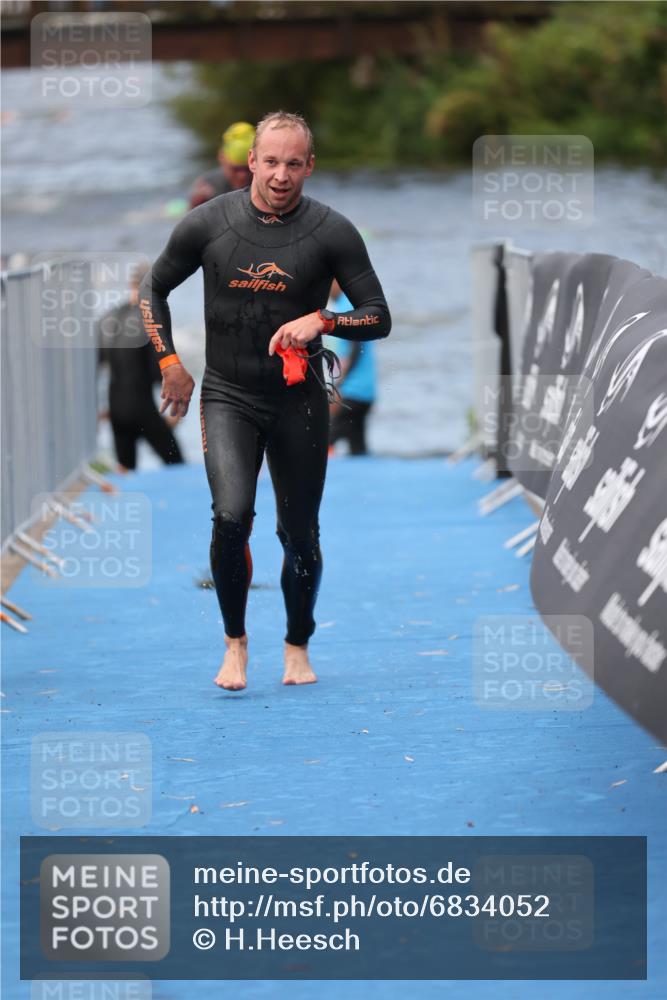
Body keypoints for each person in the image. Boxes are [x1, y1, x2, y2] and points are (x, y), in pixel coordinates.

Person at [140, 110, 391, 691]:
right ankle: (235, 644)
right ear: (250, 161)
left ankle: (297, 643)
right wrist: (170, 363)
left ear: (309, 166)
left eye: (293, 163)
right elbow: (155, 287)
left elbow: (378, 316)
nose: (281, 175)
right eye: (271, 161)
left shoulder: (331, 232)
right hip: (228, 394)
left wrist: (323, 319)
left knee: (299, 534)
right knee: (231, 519)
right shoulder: (207, 223)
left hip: (298, 399)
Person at [98, 263, 184, 472]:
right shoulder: (150, 320)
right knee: (177, 464)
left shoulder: (109, 318)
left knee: (126, 472)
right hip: (143, 409)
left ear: (131, 284)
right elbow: (161, 373)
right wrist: (176, 410)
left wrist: (101, 407)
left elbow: (97, 366)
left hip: (115, 409)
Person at [325, 279, 377, 455]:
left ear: (338, 282)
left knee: (322, 439)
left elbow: (355, 348)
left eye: (328, 282)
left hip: (352, 392)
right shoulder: (348, 303)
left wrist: (338, 387)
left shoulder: (346, 305)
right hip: (365, 391)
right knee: (358, 449)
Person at [188, 121, 255, 209]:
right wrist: (196, 205)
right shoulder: (207, 186)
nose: (242, 175)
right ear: (221, 159)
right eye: (236, 169)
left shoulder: (267, 186)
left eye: (247, 169)